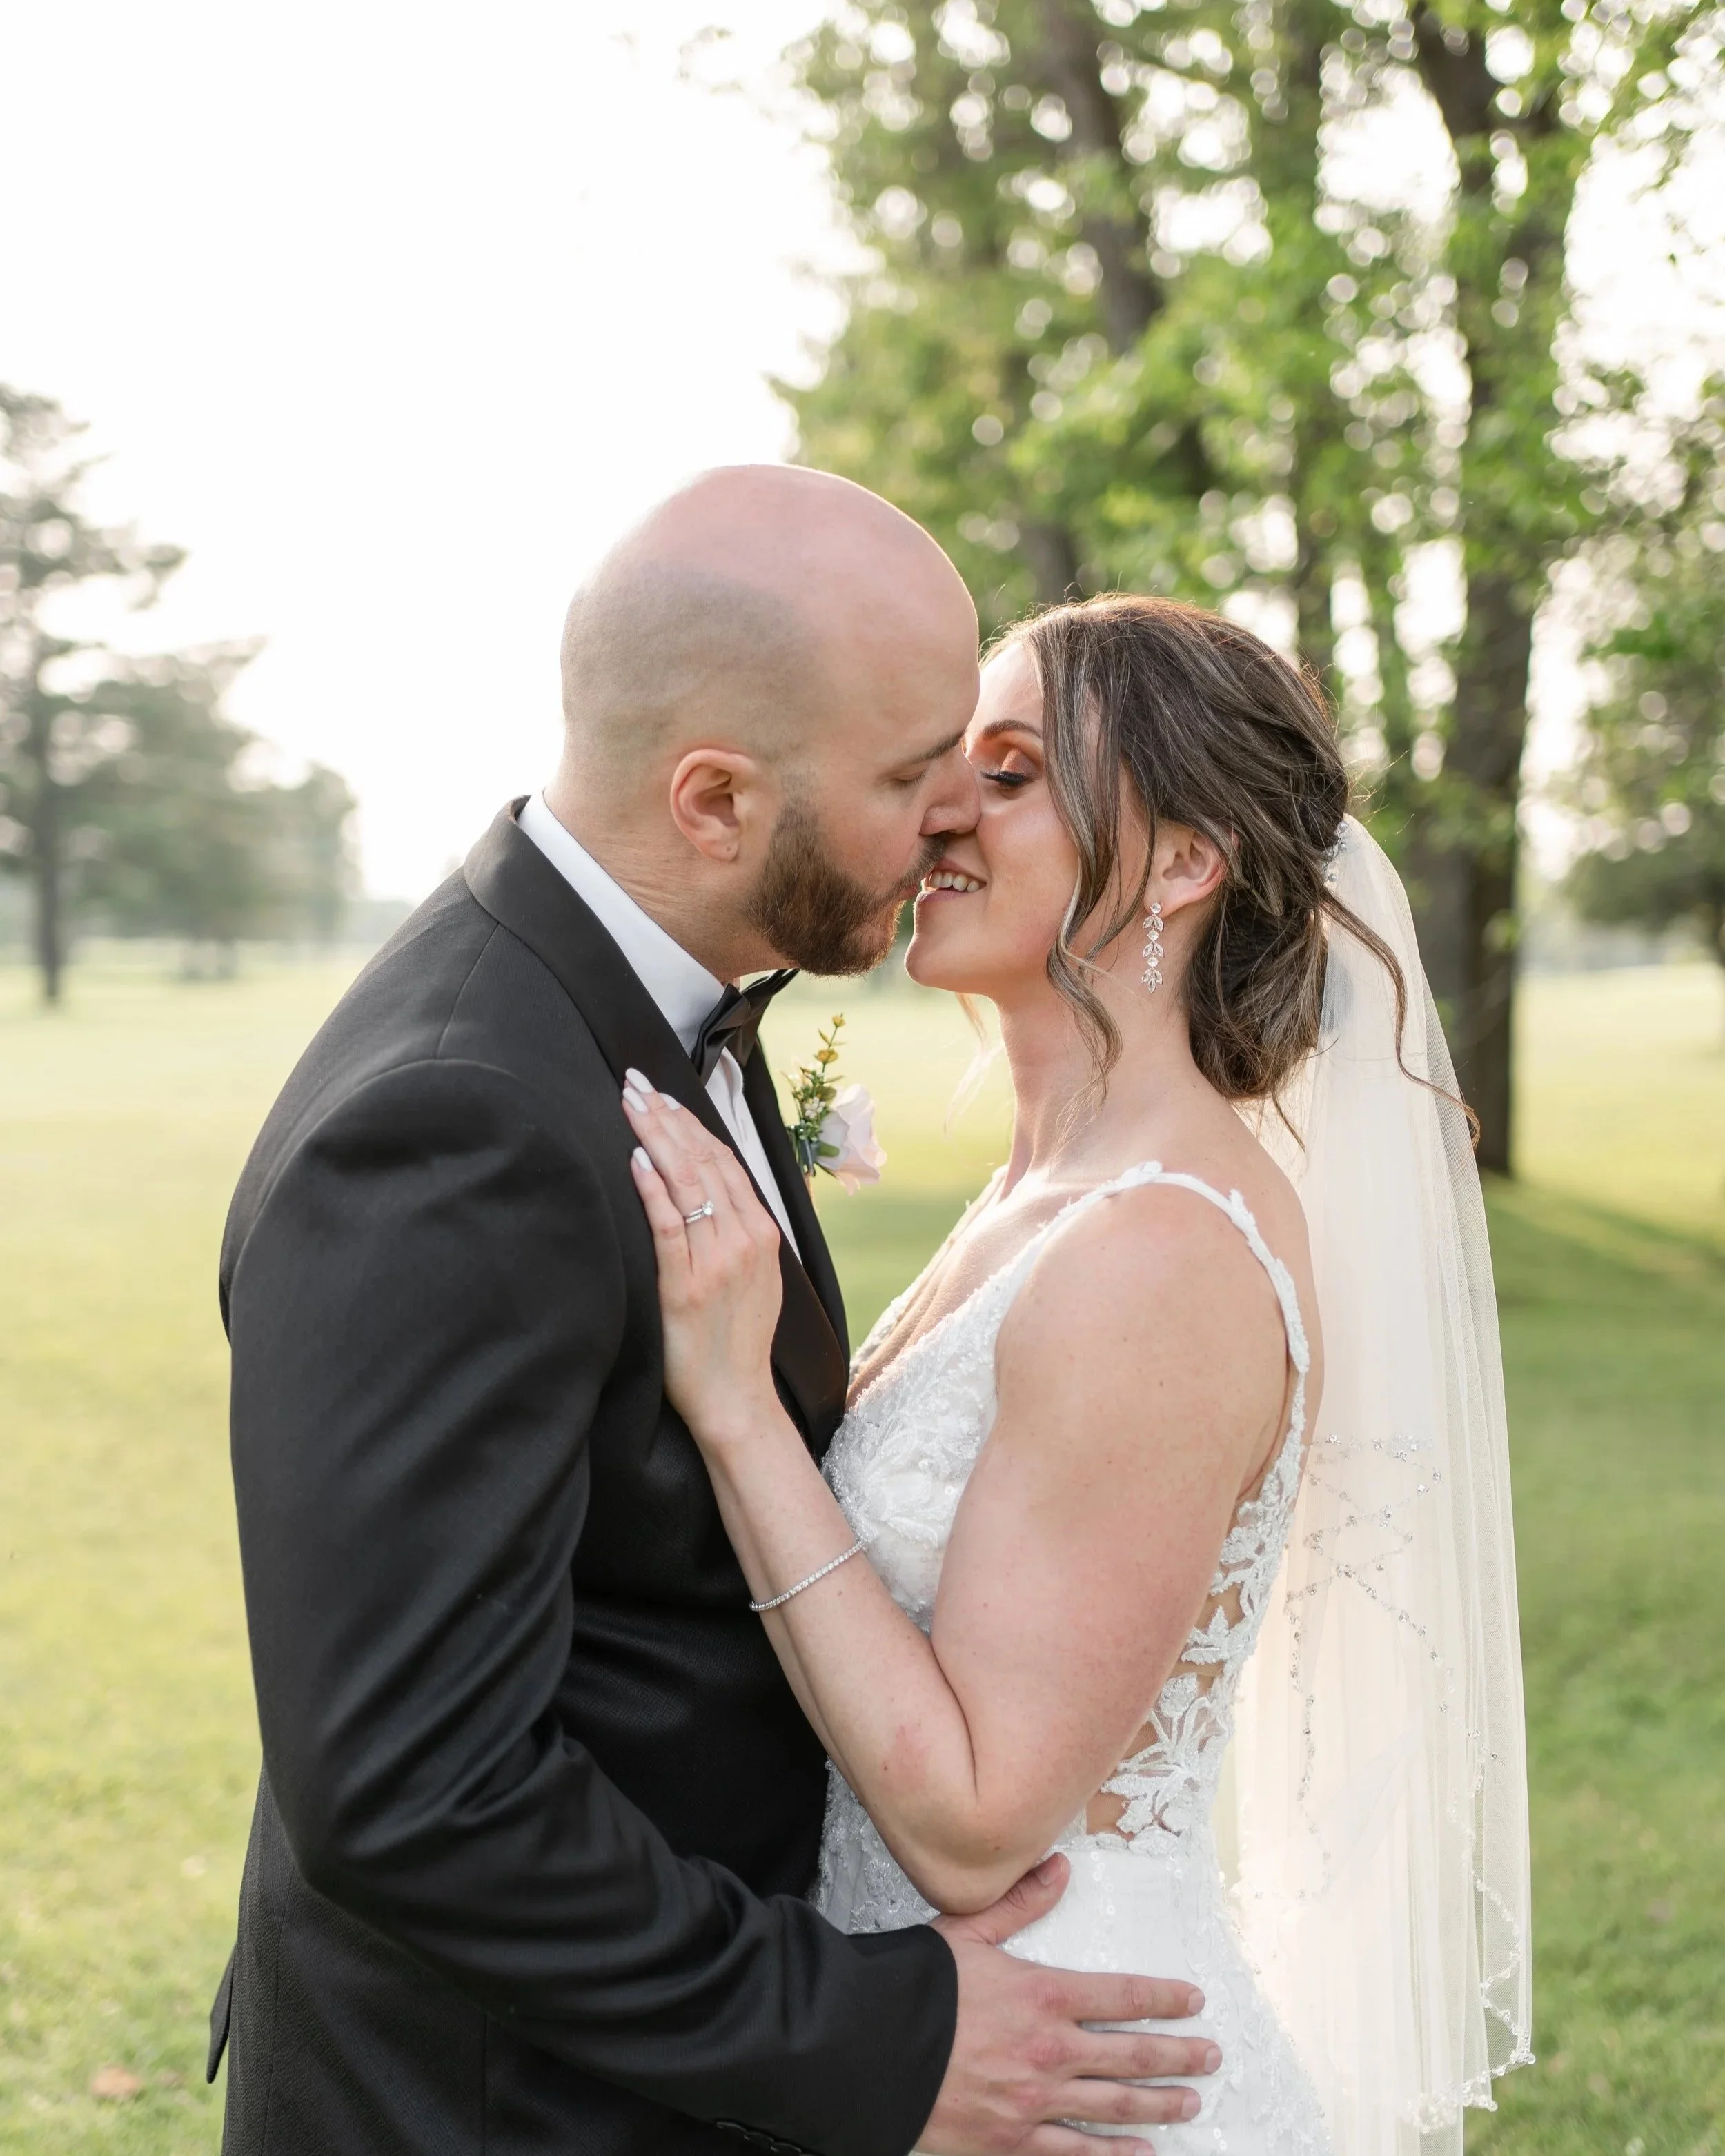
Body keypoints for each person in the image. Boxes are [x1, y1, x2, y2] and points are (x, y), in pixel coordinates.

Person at [209, 470, 1219, 2156]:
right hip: (500, 2105)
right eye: (909, 776)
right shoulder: (455, 1123)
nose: (945, 821)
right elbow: (410, 1789)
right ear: (712, 799)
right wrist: (870, 2038)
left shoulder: (662, 1006)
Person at [622, 595, 1534, 2155]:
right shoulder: (1044, 1195)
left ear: (1182, 862)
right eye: (939, 764)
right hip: (943, 2046)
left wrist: (731, 1407)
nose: (938, 812)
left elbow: (978, 1814)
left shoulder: (1158, 1252)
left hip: (1076, 2074)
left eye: (1011, 768)